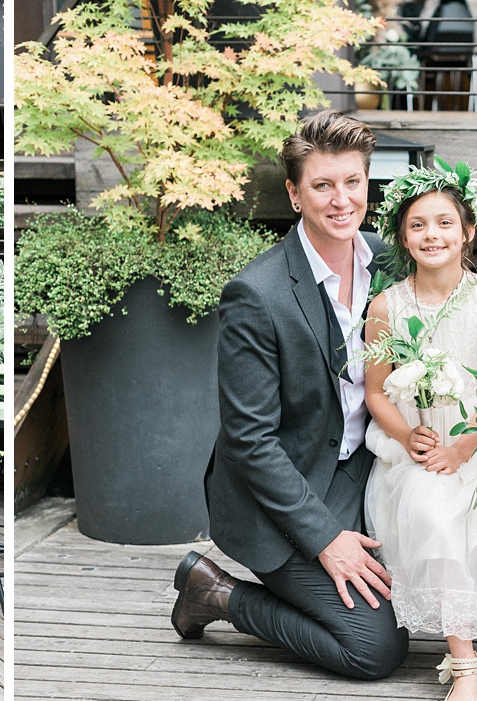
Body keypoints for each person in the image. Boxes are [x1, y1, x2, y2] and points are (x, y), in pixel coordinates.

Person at [167, 111, 407, 680]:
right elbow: (250, 441)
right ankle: (215, 592)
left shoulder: (390, 261)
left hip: (362, 468)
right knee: (375, 649)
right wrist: (325, 539)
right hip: (281, 496)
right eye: (323, 185)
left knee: (441, 583)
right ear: (295, 194)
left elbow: (460, 294)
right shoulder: (257, 294)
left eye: (353, 182)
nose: (341, 200)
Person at [357, 163, 477, 700]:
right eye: (418, 225)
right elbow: (376, 390)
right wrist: (405, 435)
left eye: (444, 223)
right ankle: (463, 661)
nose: (432, 235)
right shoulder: (387, 306)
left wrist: (466, 445)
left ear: (467, 231)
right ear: (402, 236)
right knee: (432, 516)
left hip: (476, 440)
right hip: (420, 445)